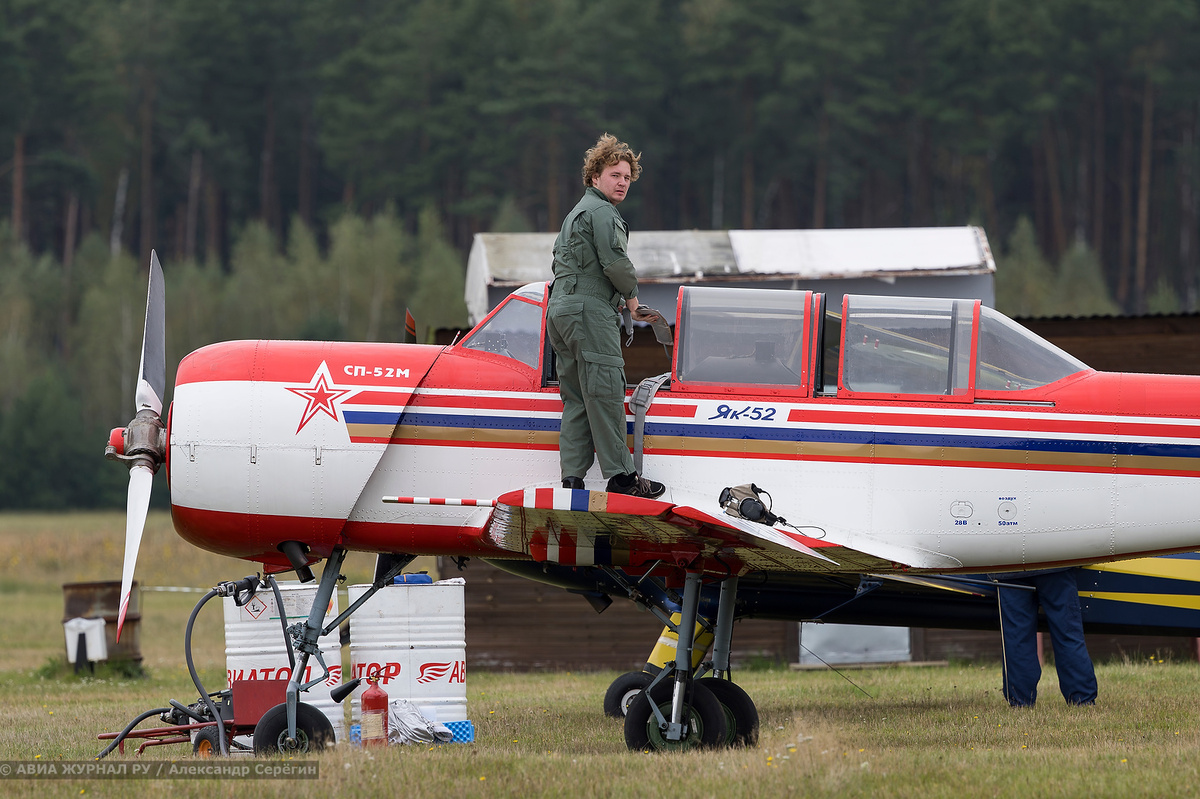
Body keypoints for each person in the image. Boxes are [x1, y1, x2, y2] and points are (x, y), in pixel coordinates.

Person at [546, 133, 665, 498]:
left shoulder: (574, 215)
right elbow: (615, 263)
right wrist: (633, 301)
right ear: (595, 176)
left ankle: (572, 479)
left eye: (627, 177)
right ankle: (622, 478)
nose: (622, 182)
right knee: (606, 392)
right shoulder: (602, 213)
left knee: (577, 398)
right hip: (589, 313)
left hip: (560, 312)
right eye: (615, 175)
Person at [993, 568, 1098, 707]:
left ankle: (1020, 702)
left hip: (1010, 568)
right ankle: (1082, 700)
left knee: (1017, 639)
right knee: (1067, 634)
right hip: (1055, 565)